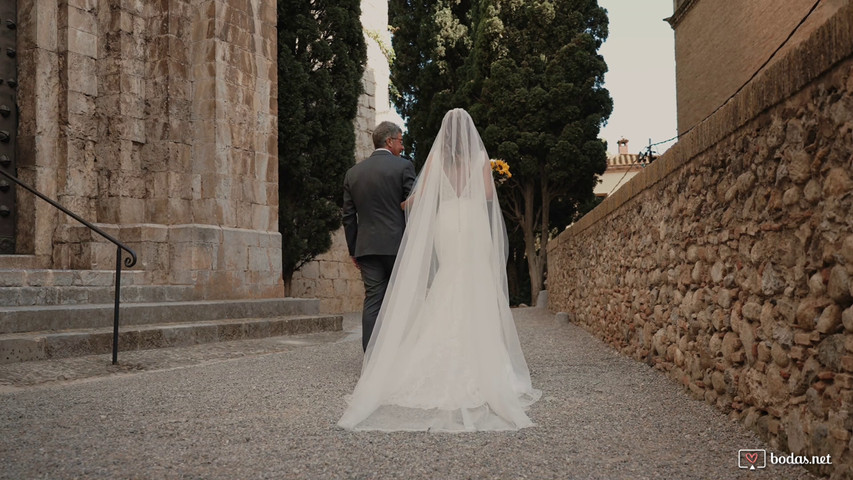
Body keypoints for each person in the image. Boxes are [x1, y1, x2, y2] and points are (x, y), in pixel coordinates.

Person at [338, 109, 540, 432]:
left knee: (446, 278)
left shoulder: (436, 162)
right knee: (477, 281)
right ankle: (486, 356)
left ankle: (385, 360)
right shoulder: (478, 159)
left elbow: (417, 199)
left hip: (446, 222)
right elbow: (488, 195)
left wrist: (404, 206)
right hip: (472, 222)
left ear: (443, 137)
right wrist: (473, 187)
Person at [343, 121, 417, 352]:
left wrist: (354, 249)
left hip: (367, 248)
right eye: (400, 141)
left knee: (373, 301)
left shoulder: (353, 173)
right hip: (398, 246)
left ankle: (371, 359)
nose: (402, 147)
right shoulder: (403, 167)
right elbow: (413, 205)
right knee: (402, 300)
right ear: (389, 141)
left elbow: (348, 216)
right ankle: (399, 355)